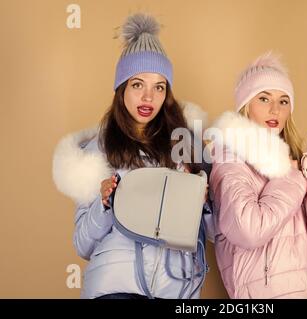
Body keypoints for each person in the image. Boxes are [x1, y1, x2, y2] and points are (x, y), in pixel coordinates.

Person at [52, 13, 210, 299]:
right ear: (122, 88)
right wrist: (103, 204)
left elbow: (211, 233)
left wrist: (201, 200)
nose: (148, 97)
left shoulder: (184, 146)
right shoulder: (97, 150)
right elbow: (82, 245)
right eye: (138, 84)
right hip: (116, 286)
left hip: (175, 287)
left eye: (158, 87)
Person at [209, 52, 307, 298]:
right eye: (263, 99)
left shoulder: (299, 160)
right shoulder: (230, 159)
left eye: (283, 101)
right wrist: (290, 176)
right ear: (246, 107)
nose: (275, 109)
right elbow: (249, 229)